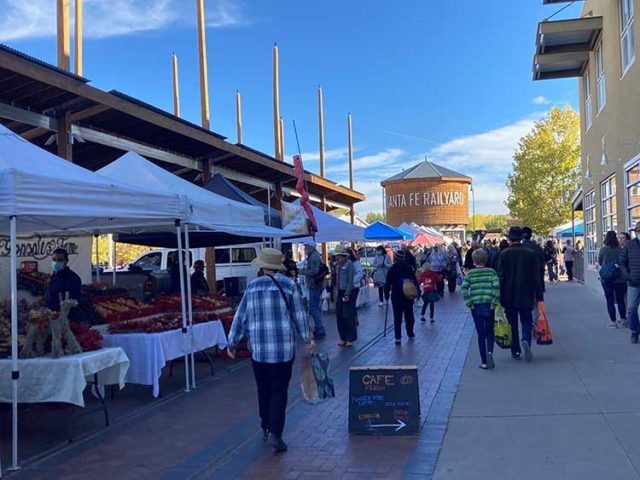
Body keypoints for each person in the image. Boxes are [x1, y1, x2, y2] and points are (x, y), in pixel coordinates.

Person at [227, 248, 314, 453]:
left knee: (263, 389)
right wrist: (308, 339)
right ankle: (276, 432)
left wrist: (232, 343)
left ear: (262, 266)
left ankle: (265, 426)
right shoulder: (290, 285)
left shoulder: (252, 287)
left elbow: (241, 317)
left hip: (259, 350)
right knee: (279, 390)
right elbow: (299, 317)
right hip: (283, 350)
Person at [498, 227, 543, 362]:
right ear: (521, 238)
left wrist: (498, 296)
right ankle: (526, 340)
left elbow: (500, 276)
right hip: (526, 292)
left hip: (508, 293)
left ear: (509, 239)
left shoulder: (503, 254)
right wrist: (539, 295)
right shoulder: (530, 253)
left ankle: (515, 350)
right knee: (526, 319)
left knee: (512, 322)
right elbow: (537, 276)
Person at [461, 248, 500, 370]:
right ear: (486, 259)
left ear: (473, 260)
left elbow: (464, 288)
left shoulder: (471, 274)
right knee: (490, 331)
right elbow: (496, 287)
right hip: (489, 304)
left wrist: (469, 302)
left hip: (476, 305)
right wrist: (494, 302)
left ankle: (483, 361)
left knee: (480, 333)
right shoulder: (491, 272)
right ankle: (490, 353)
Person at [384, 250, 420, 345]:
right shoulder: (408, 268)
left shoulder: (392, 269)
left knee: (397, 316)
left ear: (395, 258)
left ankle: (398, 337)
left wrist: (386, 294)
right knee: (409, 314)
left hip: (396, 295)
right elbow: (415, 280)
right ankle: (410, 333)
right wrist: (418, 292)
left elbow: (387, 283)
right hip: (408, 294)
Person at [598, 231, 627, 329]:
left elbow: (600, 262)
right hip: (620, 278)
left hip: (607, 279)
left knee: (610, 301)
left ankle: (613, 322)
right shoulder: (621, 250)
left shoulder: (603, 250)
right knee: (621, 300)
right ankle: (623, 320)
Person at [299, 241, 326, 339]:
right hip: (315, 284)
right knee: (315, 307)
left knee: (314, 308)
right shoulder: (314, 256)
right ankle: (319, 328)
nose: (304, 249)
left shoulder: (313, 257)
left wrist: (303, 272)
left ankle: (320, 329)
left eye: (305, 247)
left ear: (310, 247)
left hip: (314, 285)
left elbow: (315, 271)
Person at [619, 221, 640, 343]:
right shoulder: (629, 245)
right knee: (632, 308)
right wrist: (628, 276)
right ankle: (635, 331)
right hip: (633, 282)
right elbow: (622, 262)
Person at [45, 248, 82, 316]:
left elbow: (73, 301)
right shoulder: (54, 276)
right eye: (54, 260)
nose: (56, 262)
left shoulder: (73, 278)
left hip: (63, 318)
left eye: (60, 260)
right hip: (50, 316)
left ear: (66, 261)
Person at [334, 246, 356, 347]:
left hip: (347, 292)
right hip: (339, 292)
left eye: (337, 256)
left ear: (343, 256)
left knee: (347, 315)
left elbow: (350, 281)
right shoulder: (337, 265)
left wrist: (347, 293)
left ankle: (350, 338)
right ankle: (342, 337)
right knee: (339, 316)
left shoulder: (349, 265)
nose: (336, 258)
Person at [349, 247, 364, 327]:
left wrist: (352, 281)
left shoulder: (356, 263)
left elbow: (359, 274)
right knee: (350, 304)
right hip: (348, 286)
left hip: (354, 286)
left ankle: (354, 319)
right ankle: (353, 319)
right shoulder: (346, 263)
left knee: (352, 303)